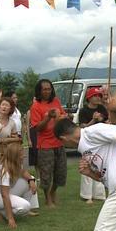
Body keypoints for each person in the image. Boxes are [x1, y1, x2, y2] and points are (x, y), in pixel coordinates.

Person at [29, 79, 68, 207]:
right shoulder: (36, 106)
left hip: (59, 142)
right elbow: (37, 128)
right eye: (44, 89)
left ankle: (53, 191)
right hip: (45, 144)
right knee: (46, 174)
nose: (47, 91)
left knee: (60, 172)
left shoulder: (56, 101)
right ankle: (47, 198)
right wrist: (47, 117)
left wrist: (66, 117)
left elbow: (62, 115)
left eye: (49, 88)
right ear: (39, 91)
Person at [0, 143, 39, 229]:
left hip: (2, 193)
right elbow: (5, 195)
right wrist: (10, 219)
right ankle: (2, 212)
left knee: (31, 178)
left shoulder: (15, 162)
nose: (24, 156)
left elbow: (23, 172)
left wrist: (31, 181)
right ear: (15, 156)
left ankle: (27, 209)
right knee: (25, 206)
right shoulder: (3, 170)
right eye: (22, 154)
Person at [78, 87, 108, 203]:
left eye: (99, 96)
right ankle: (87, 195)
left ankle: (99, 194)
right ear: (89, 98)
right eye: (95, 96)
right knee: (87, 164)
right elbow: (82, 127)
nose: (98, 98)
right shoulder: (83, 111)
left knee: (100, 164)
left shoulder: (101, 108)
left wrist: (104, 120)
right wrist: (93, 120)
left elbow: (106, 120)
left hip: (100, 140)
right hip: (88, 141)